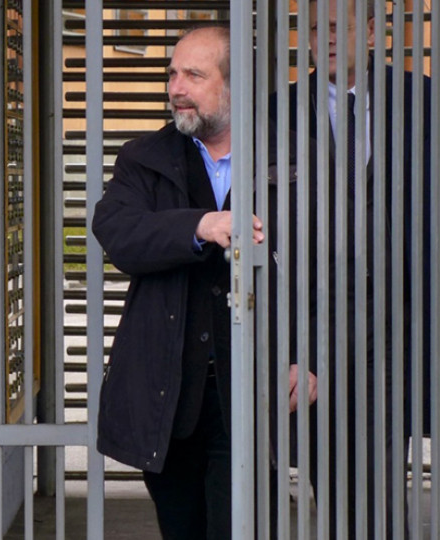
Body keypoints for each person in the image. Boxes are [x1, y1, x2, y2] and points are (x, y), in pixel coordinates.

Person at [93, 25, 313, 539]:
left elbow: (329, 266)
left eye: (193, 75)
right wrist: (200, 225)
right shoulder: (143, 157)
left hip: (254, 389)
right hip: (166, 393)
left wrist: (311, 354)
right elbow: (117, 232)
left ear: (235, 86)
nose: (176, 88)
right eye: (172, 74)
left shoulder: (295, 158)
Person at [267, 0, 440, 536]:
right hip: (312, 315)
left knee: (382, 465)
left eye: (338, 27)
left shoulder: (426, 99)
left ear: (372, 32)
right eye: (314, 29)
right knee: (326, 463)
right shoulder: (278, 110)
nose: (325, 38)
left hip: (395, 313)